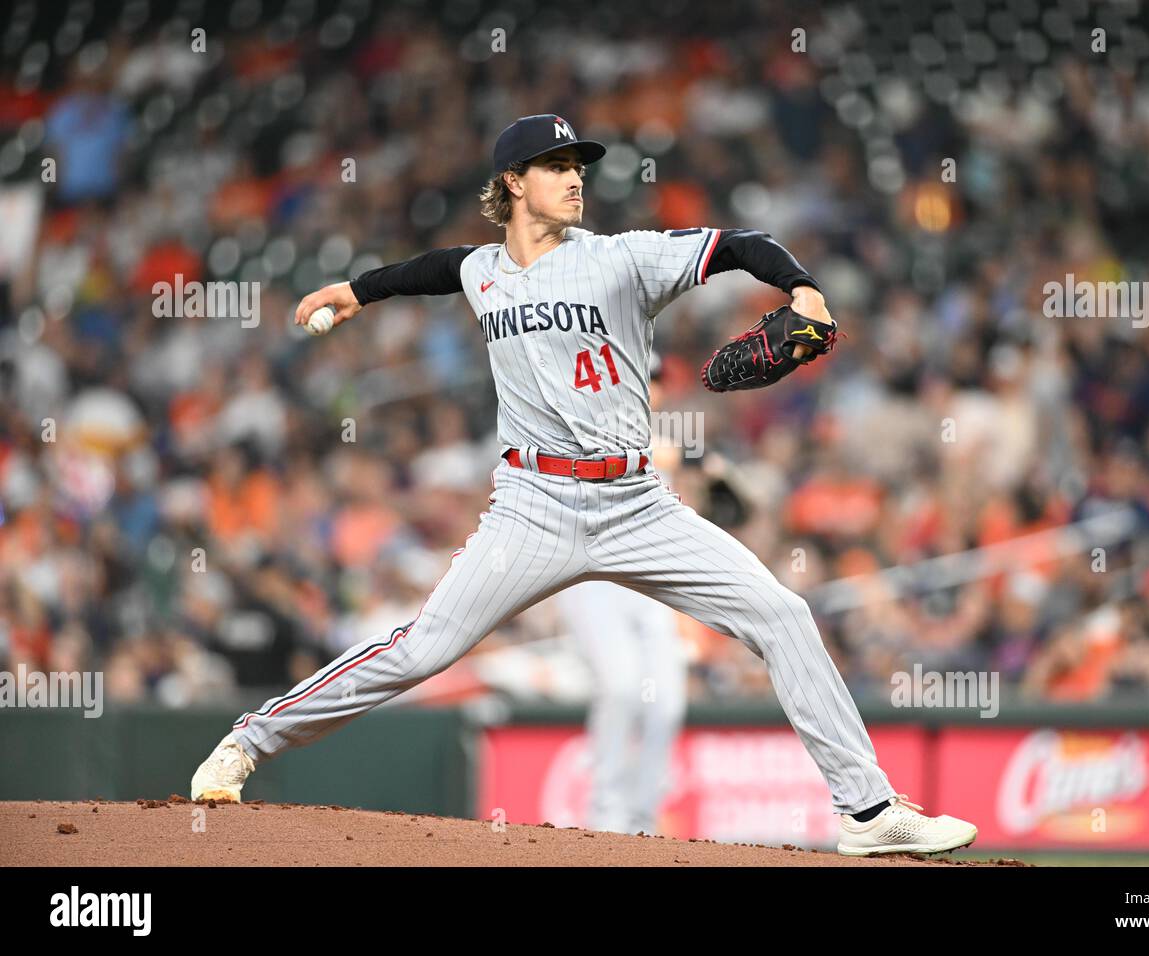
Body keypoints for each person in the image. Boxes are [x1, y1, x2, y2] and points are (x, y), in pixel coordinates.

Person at [190, 114, 977, 855]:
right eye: (555, 166)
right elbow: (430, 270)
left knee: (781, 612)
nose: (574, 179)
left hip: (638, 503)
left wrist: (802, 290)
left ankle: (868, 812)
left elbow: (741, 243)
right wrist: (354, 292)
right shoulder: (481, 271)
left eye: (577, 167)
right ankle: (246, 742)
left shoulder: (621, 256)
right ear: (512, 182)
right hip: (531, 507)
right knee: (420, 649)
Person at [553, 352, 687, 836]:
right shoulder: (584, 423)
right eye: (644, 378)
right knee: (622, 688)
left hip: (646, 586)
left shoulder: (664, 440)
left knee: (667, 703)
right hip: (593, 584)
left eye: (656, 380)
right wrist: (705, 461)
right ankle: (605, 818)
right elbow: (658, 452)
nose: (653, 388)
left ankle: (641, 821)